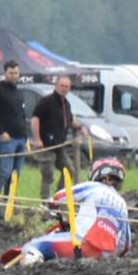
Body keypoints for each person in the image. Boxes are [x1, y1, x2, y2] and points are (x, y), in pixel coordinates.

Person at [1, 157, 132, 266]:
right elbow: (125, 245)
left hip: (81, 244)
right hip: (105, 255)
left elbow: (61, 196)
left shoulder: (93, 187)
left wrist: (53, 205)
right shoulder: (122, 204)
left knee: (35, 245)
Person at [32, 74, 83, 202]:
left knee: (69, 170)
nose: (64, 88)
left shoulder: (66, 104)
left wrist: (80, 127)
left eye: (67, 86)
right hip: (46, 145)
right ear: (56, 86)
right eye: (62, 86)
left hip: (59, 146)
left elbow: (70, 120)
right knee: (48, 174)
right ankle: (44, 200)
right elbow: (35, 118)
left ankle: (58, 197)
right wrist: (37, 139)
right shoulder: (46, 101)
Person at [0, 59, 29, 198]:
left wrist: (26, 138)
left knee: (15, 174)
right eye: (11, 73)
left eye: (16, 73)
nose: (14, 76)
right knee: (4, 172)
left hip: (20, 138)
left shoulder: (19, 93)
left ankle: (9, 201)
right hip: (6, 139)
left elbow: (22, 116)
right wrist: (0, 132)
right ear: (5, 73)